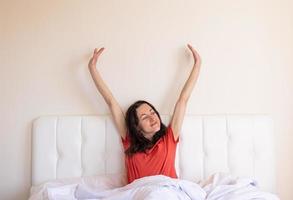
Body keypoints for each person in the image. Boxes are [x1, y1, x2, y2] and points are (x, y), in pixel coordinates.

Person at [88, 44, 201, 184]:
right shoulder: (129, 141)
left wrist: (197, 65)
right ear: (136, 126)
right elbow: (111, 102)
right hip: (138, 194)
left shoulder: (169, 138)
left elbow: (183, 99)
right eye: (144, 117)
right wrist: (92, 68)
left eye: (152, 112)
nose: (152, 117)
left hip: (168, 193)